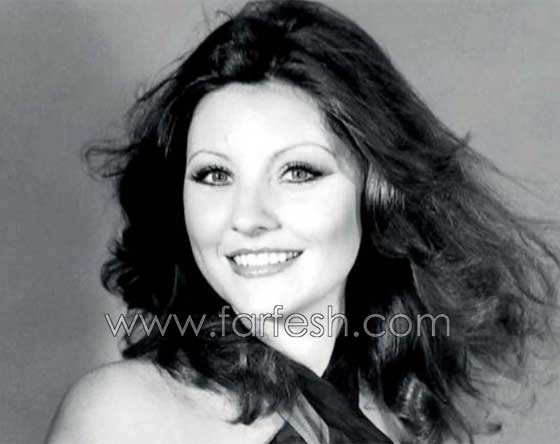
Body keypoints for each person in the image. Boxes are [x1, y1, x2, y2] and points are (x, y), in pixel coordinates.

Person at [45, 1, 560, 443]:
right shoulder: (122, 416)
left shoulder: (404, 414)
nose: (248, 218)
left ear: (376, 194)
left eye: (298, 171)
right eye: (214, 174)